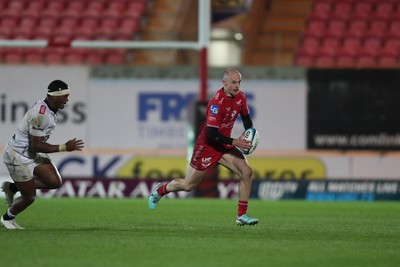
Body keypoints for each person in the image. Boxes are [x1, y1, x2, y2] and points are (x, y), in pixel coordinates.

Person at [148, 68, 259, 226]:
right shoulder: (216, 103)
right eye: (234, 82)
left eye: (239, 82)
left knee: (247, 172)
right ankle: (162, 189)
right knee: (188, 185)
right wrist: (236, 142)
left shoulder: (240, 97)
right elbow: (212, 134)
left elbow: (247, 119)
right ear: (224, 83)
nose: (237, 86)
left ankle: (241, 216)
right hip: (208, 146)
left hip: (225, 145)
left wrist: (250, 134)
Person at [1, 80, 84, 229]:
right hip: (18, 154)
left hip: (31, 152)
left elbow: (35, 146)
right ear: (54, 96)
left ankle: (13, 188)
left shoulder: (48, 108)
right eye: (64, 96)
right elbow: (37, 145)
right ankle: (7, 218)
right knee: (29, 197)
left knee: (54, 182)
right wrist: (65, 147)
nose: (67, 99)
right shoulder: (40, 115)